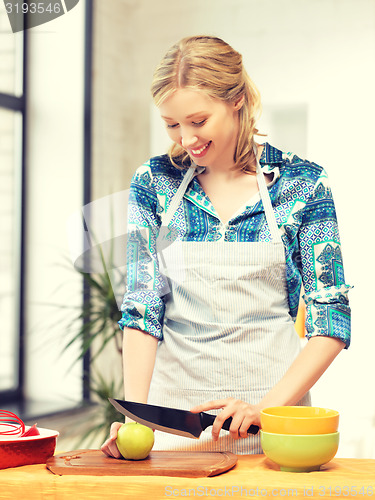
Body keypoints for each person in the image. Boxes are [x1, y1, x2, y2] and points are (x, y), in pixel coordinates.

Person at [101, 35, 351, 457]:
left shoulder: (302, 184)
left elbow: (332, 321)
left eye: (198, 121)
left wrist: (263, 410)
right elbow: (143, 306)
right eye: (171, 124)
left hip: (275, 427)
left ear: (236, 99)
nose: (186, 139)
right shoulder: (155, 183)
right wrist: (134, 421)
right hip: (174, 428)